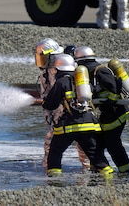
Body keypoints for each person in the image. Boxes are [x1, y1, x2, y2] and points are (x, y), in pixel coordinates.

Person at [42, 53, 113, 177]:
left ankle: (55, 179)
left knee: (55, 152)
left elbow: (50, 104)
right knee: (95, 154)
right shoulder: (83, 81)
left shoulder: (61, 81)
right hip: (88, 124)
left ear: (58, 69)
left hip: (69, 125)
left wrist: (45, 102)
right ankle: (108, 176)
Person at [73, 46, 129, 173]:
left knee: (113, 143)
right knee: (98, 142)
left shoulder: (99, 71)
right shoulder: (90, 71)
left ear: (82, 61)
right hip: (107, 113)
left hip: (116, 113)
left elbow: (115, 86)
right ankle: (98, 167)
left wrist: (111, 101)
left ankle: (125, 171)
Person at [35, 39, 89, 169]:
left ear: (51, 55)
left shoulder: (65, 67)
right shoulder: (45, 73)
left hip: (74, 114)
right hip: (58, 116)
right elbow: (46, 96)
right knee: (50, 143)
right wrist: (48, 115)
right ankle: (49, 168)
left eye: (43, 57)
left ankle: (88, 170)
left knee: (82, 144)